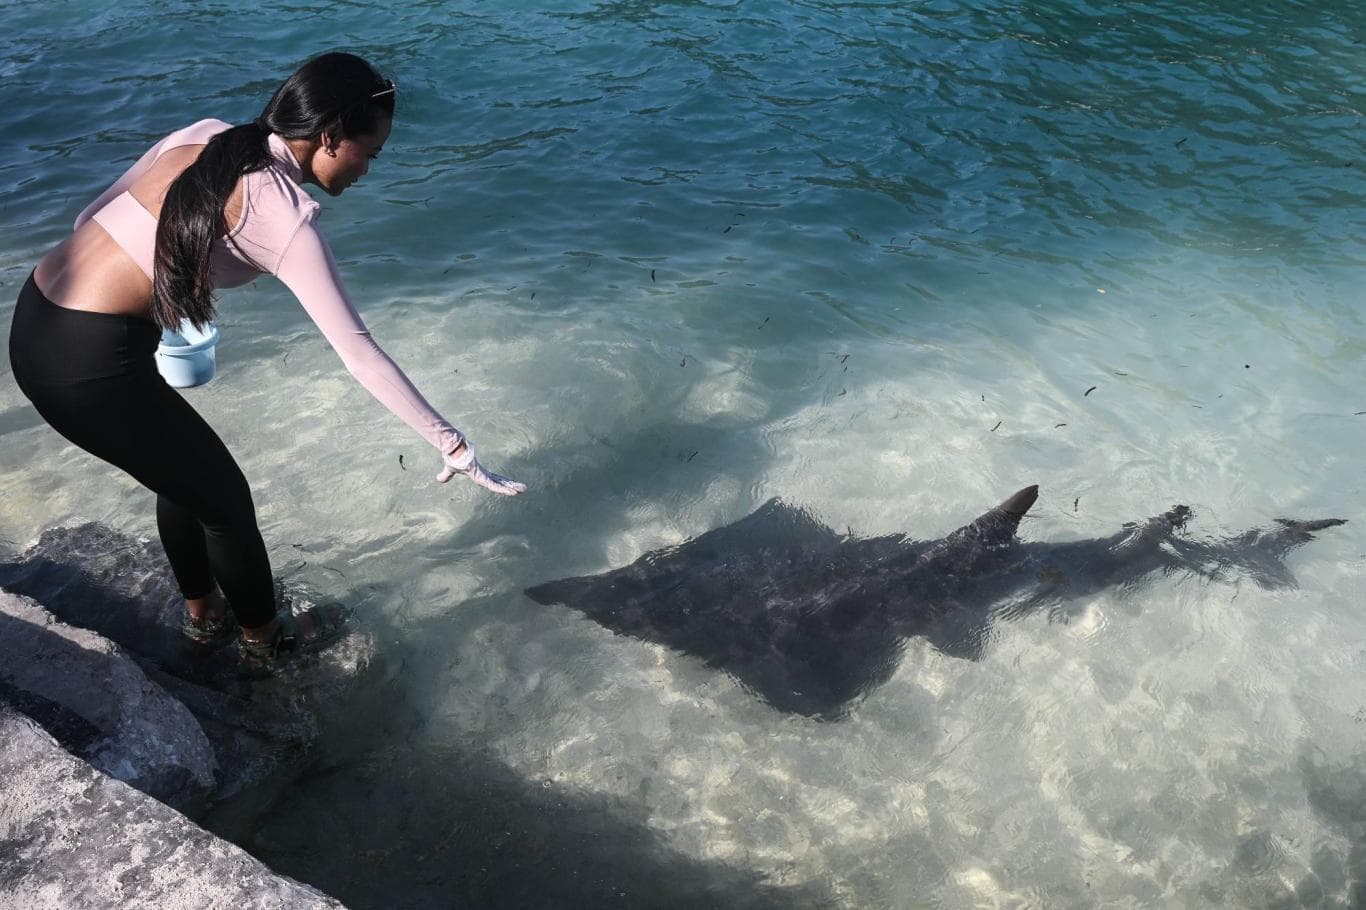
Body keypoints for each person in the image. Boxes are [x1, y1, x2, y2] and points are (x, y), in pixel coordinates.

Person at [8, 52, 525, 673]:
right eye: (372, 152)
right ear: (331, 136)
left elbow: (90, 219)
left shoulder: (206, 135)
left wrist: (160, 306)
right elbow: (358, 351)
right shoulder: (282, 216)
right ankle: (266, 649)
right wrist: (453, 446)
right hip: (89, 360)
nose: (370, 169)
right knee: (226, 504)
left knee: (187, 477)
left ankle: (205, 619)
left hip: (39, 312)